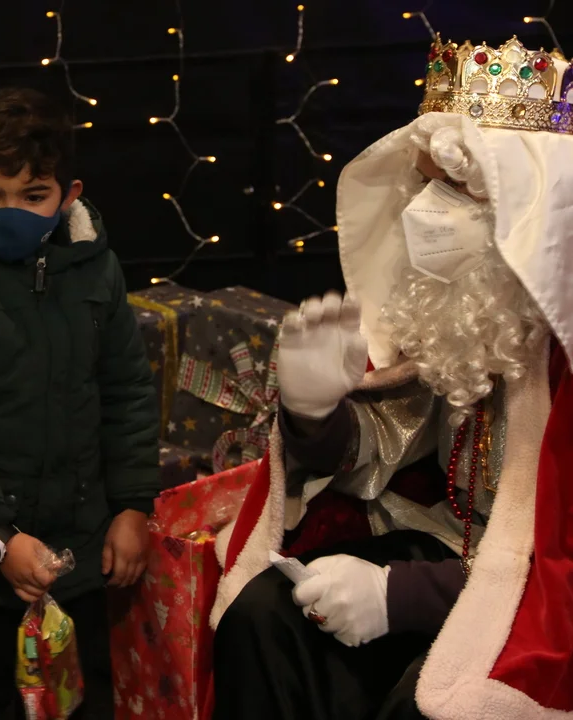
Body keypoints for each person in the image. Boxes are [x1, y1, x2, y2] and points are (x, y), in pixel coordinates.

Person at [210, 35, 573, 720]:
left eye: (455, 188)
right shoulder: (475, 307)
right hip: (456, 552)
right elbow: (386, 450)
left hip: (539, 606)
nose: (420, 210)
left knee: (424, 709)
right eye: (424, 182)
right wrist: (314, 410)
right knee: (264, 615)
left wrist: (399, 596)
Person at [0, 87, 161, 719]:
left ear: (68, 195)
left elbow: (127, 391)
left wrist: (133, 506)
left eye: (33, 195)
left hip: (80, 561)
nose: (10, 213)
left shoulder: (97, 268)